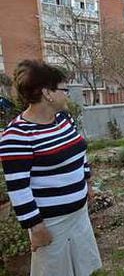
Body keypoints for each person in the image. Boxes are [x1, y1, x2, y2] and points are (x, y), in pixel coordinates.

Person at [0, 60, 102, 275]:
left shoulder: (63, 119)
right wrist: (36, 227)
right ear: (47, 93)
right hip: (52, 223)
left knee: (82, 268)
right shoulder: (17, 135)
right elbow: (18, 187)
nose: (67, 95)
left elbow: (80, 152)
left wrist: (87, 184)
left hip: (79, 214)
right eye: (64, 89)